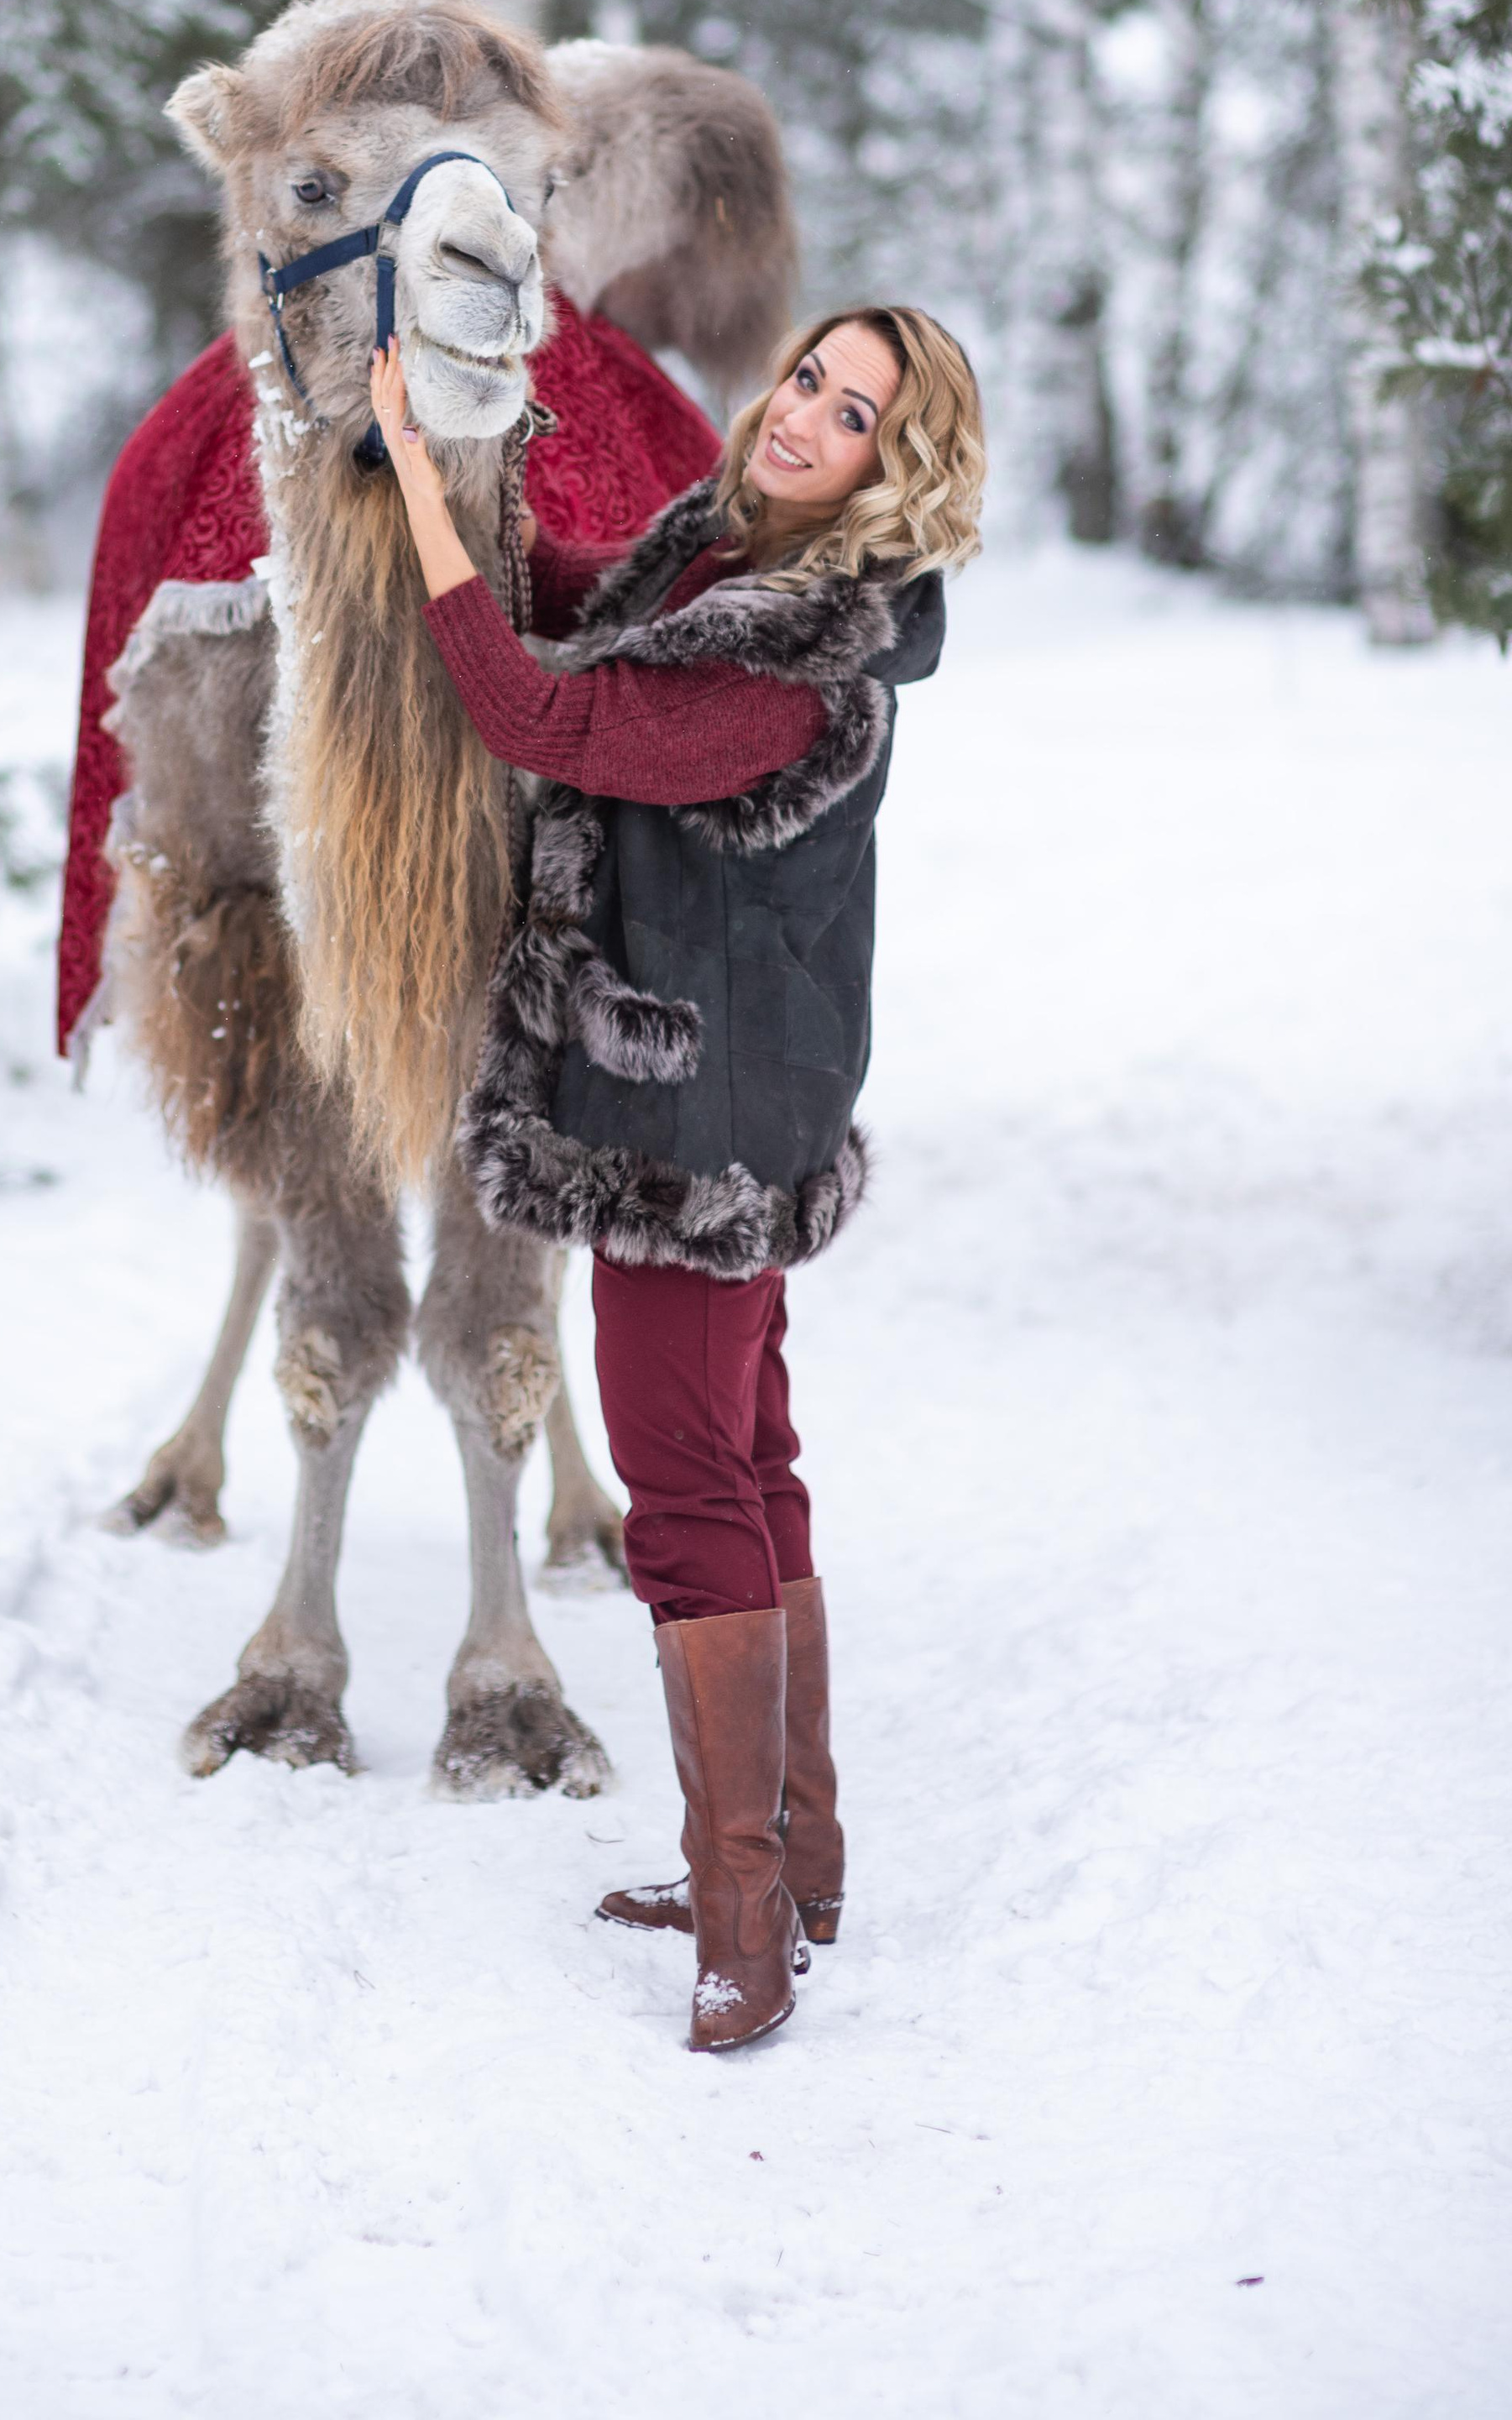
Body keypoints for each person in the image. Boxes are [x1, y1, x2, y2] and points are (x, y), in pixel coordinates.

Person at [369, 305, 986, 2052]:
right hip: (736, 1078)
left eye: (850, 412)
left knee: (681, 1487)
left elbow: (529, 706)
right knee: (753, 1461)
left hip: (693, 1119)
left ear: (894, 467)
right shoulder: (719, 550)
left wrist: (415, 479)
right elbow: (571, 594)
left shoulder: (792, 655)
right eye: (805, 377)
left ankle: (743, 1937)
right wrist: (477, 456)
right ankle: (796, 1866)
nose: (800, 416)